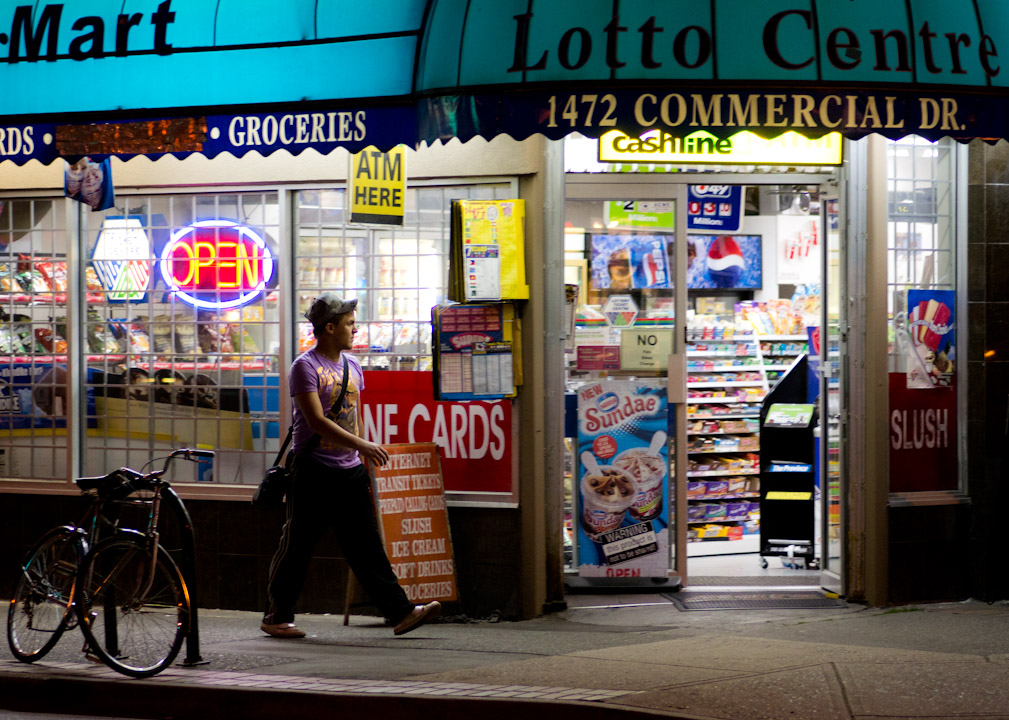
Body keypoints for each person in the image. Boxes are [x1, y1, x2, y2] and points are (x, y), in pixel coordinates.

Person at [261, 292, 440, 638]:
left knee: (366, 546)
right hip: (313, 470)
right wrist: (364, 446)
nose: (355, 330)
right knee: (298, 545)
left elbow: (352, 417)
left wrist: (359, 452)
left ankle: (400, 612)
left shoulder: (352, 365)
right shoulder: (305, 367)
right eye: (349, 324)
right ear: (329, 328)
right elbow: (316, 420)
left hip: (349, 470)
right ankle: (276, 616)